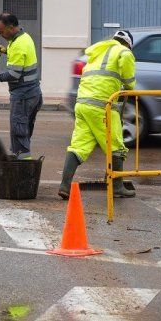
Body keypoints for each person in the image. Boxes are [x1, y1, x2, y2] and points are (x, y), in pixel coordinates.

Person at [59, 30, 136, 200]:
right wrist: (129, 86)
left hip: (82, 105)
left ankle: (64, 186)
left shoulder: (97, 52)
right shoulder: (123, 51)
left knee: (79, 146)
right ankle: (117, 187)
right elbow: (129, 80)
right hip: (103, 106)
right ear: (128, 43)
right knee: (116, 146)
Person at [0, 12, 42, 159]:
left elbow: (14, 74)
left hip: (23, 96)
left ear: (10, 27)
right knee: (24, 132)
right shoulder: (24, 38)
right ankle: (21, 162)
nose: (0, 34)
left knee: (19, 136)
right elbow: (20, 58)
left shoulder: (18, 45)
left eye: (1, 31)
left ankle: (22, 169)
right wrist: (6, 51)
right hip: (34, 93)